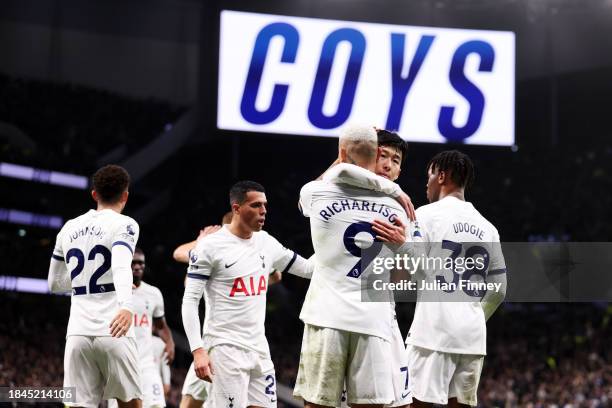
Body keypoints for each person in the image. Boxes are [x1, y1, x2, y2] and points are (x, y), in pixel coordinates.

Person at [294, 125, 415, 408]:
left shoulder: (318, 192)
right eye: (382, 155)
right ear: (368, 157)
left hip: (335, 316)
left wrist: (346, 153)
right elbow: (406, 277)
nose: (387, 164)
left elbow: (317, 187)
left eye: (395, 161)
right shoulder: (402, 211)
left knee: (318, 403)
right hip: (368, 320)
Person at [374, 150, 507, 407]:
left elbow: (422, 273)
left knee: (408, 404)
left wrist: (402, 247)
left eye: (430, 175)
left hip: (433, 334)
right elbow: (499, 290)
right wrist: (475, 315)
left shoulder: (425, 216)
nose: (427, 182)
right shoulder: (489, 228)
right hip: (472, 338)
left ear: (442, 176)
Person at [181, 181, 314, 408]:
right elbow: (190, 301)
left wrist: (339, 242)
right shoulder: (210, 247)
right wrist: (198, 350)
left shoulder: (266, 242)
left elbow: (309, 270)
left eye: (265, 205)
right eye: (256, 205)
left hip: (259, 349)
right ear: (236, 208)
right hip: (224, 349)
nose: (263, 211)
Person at [47, 164, 142, 408]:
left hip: (77, 332)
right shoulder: (125, 224)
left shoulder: (68, 228)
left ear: (94, 194)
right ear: (126, 195)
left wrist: (83, 280)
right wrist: (126, 306)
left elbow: (54, 284)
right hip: (114, 328)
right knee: (130, 403)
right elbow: (122, 265)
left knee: (78, 405)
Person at [109, 248, 175, 408]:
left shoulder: (153, 293)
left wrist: (170, 342)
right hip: (120, 366)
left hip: (146, 365)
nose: (137, 266)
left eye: (141, 263)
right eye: (133, 263)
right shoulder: (112, 293)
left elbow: (160, 326)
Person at [152, 335, 171, 401]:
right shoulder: (135, 338)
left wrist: (166, 382)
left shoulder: (160, 343)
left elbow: (165, 364)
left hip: (154, 380)